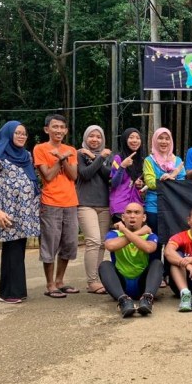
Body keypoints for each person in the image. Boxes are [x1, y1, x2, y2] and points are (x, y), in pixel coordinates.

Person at [0, 121, 41, 304]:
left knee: (18, 249)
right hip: (6, 211)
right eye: (17, 133)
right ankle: (9, 293)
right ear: (8, 134)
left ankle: (12, 289)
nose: (21, 136)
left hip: (24, 211)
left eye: (24, 133)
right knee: (12, 250)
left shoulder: (26, 155)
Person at [33, 114, 79, 298]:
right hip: (50, 202)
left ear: (66, 130)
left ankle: (60, 281)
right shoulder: (40, 148)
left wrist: (63, 158)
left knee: (70, 243)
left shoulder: (70, 150)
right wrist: (60, 159)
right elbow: (48, 176)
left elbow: (73, 175)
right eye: (55, 127)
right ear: (47, 129)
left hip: (71, 202)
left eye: (62, 127)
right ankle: (50, 284)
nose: (58, 130)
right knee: (50, 244)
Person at [100, 202, 162, 318]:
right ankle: (123, 300)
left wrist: (126, 232)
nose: (132, 216)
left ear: (144, 217)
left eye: (137, 212)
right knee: (105, 265)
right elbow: (110, 246)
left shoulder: (150, 235)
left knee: (157, 264)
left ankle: (147, 298)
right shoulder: (114, 233)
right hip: (120, 285)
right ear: (123, 217)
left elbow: (149, 248)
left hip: (142, 284)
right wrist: (137, 233)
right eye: (128, 212)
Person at [76, 125, 113, 294]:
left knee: (102, 244)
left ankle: (98, 279)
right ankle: (92, 281)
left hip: (104, 204)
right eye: (91, 136)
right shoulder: (80, 154)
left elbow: (108, 175)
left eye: (98, 136)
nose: (95, 139)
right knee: (93, 241)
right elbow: (85, 174)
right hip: (85, 203)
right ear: (85, 137)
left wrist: (95, 157)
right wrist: (98, 158)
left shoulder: (107, 155)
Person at [109, 128, 146, 222]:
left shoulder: (142, 160)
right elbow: (114, 183)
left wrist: (140, 184)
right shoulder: (118, 158)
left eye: (137, 138)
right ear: (125, 140)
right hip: (120, 207)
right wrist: (122, 166)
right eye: (131, 137)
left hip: (136, 206)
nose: (135, 140)